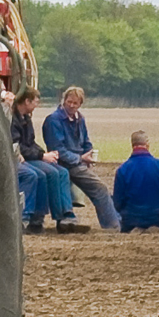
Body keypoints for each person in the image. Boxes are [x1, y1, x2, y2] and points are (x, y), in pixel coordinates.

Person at [43, 86, 122, 230]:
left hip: (77, 162)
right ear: (64, 101)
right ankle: (114, 225)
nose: (72, 105)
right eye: (69, 102)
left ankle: (115, 222)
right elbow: (57, 149)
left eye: (75, 103)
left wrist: (88, 153)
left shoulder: (80, 119)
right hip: (62, 162)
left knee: (100, 188)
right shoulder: (54, 120)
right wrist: (80, 158)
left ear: (80, 104)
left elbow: (86, 141)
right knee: (99, 188)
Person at [11, 89, 85, 234]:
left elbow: (30, 142)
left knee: (62, 172)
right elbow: (18, 146)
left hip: (30, 156)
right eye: (36, 102)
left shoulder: (26, 118)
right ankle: (37, 218)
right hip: (24, 158)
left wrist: (45, 153)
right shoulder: (14, 119)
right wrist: (42, 156)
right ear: (27, 101)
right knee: (48, 173)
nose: (37, 105)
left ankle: (66, 215)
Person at [112, 130, 159, 233]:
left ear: (132, 145)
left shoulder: (123, 169)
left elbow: (117, 203)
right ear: (147, 144)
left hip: (131, 221)